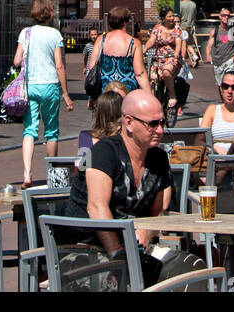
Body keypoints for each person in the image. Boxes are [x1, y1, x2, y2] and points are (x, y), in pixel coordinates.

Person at [65, 90, 172, 254]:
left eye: (162, 123)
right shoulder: (102, 153)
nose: (160, 130)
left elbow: (157, 213)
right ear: (128, 123)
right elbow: (96, 209)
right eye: (152, 124)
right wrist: (121, 259)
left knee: (192, 266)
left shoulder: (159, 158)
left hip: (136, 248)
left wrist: (147, 231)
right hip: (87, 251)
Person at [12, 0, 73, 188]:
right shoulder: (55, 35)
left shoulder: (26, 33)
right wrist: (65, 93)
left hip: (30, 85)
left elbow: (16, 61)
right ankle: (51, 174)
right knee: (51, 131)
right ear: (50, 13)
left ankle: (27, 175)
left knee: (29, 130)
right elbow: (59, 66)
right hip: (50, 85)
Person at [86, 5, 149, 94]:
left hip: (105, 89)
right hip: (127, 90)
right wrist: (149, 94)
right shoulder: (133, 43)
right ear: (124, 22)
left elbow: (92, 67)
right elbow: (140, 73)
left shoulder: (101, 39)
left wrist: (92, 95)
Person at [144, 7, 182, 119]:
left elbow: (179, 44)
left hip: (172, 58)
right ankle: (152, 104)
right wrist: (144, 49)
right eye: (169, 16)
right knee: (151, 77)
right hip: (159, 57)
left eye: (172, 16)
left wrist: (176, 54)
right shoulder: (157, 28)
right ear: (163, 18)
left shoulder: (177, 29)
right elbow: (151, 40)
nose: (172, 19)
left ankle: (172, 95)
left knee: (166, 72)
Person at [206, 6, 234, 87]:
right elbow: (208, 46)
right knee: (221, 86)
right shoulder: (214, 31)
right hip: (217, 62)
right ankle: (223, 99)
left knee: (230, 84)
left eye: (228, 16)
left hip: (229, 61)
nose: (226, 17)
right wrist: (208, 56)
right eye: (224, 15)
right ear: (220, 17)